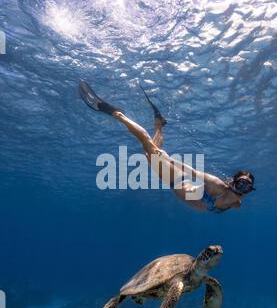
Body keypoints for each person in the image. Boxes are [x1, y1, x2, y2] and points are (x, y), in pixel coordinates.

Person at [79, 81, 255, 213]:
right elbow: (192, 171)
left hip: (178, 182)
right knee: (148, 146)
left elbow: (236, 204)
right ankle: (115, 113)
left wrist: (238, 198)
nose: (243, 189)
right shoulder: (217, 185)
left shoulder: (235, 201)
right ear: (233, 182)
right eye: (241, 184)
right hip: (176, 179)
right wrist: (168, 159)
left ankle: (159, 124)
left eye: (246, 187)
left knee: (148, 155)